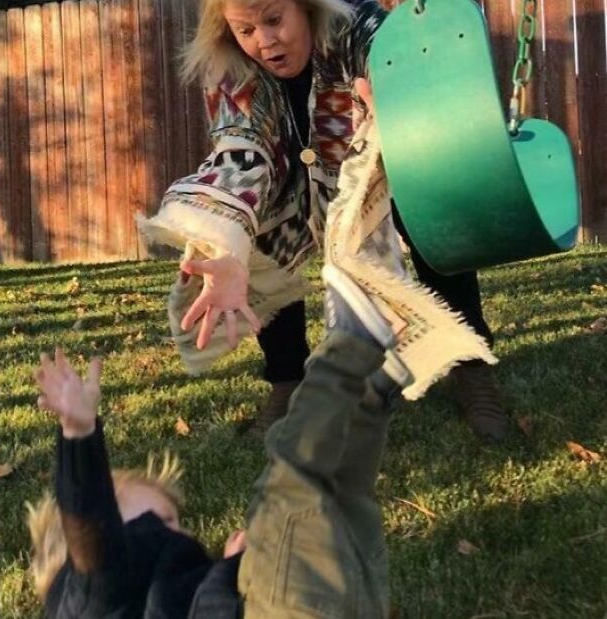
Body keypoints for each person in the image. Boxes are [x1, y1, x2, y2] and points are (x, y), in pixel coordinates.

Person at [138, 0, 509, 442]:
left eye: (274, 19)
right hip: (285, 173)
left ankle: (471, 367)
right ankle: (286, 381)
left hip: (366, 156)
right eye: (246, 29)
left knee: (427, 212)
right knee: (259, 238)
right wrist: (226, 247)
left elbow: (395, 58)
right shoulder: (228, 68)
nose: (264, 41)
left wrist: (398, 93)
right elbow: (239, 151)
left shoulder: (349, 17)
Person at [29, 250, 494, 618]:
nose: (180, 532)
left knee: (345, 502)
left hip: (346, 600)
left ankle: (374, 377)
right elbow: (89, 524)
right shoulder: (95, 594)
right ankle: (352, 342)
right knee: (290, 485)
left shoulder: (126, 595)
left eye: (172, 521)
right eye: (166, 523)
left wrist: (231, 568)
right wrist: (79, 433)